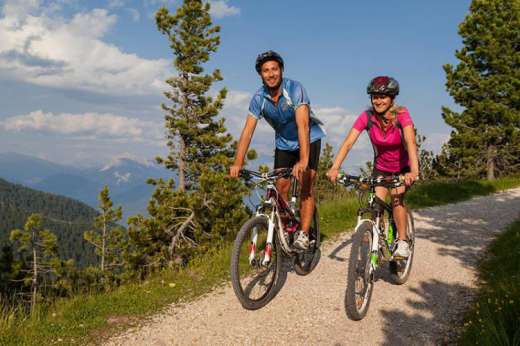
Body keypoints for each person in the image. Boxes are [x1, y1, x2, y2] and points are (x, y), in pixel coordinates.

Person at [229, 50, 326, 250]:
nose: (271, 74)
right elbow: (247, 132)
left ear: (281, 70)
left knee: (306, 184)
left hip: (309, 139)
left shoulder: (295, 89)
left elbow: (303, 126)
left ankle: (304, 234)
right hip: (284, 143)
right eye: (266, 70)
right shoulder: (259, 98)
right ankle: (284, 228)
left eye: (274, 69)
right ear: (260, 75)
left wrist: (303, 160)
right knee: (279, 188)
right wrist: (238, 162)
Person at [326, 76, 419, 257]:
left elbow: (410, 141)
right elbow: (348, 143)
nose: (378, 100)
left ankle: (402, 241)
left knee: (397, 198)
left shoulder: (402, 115)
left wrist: (413, 171)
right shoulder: (367, 117)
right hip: (381, 167)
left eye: (383, 97)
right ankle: (377, 235)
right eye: (375, 97)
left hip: (402, 168)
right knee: (376, 203)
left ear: (392, 98)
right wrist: (335, 167)